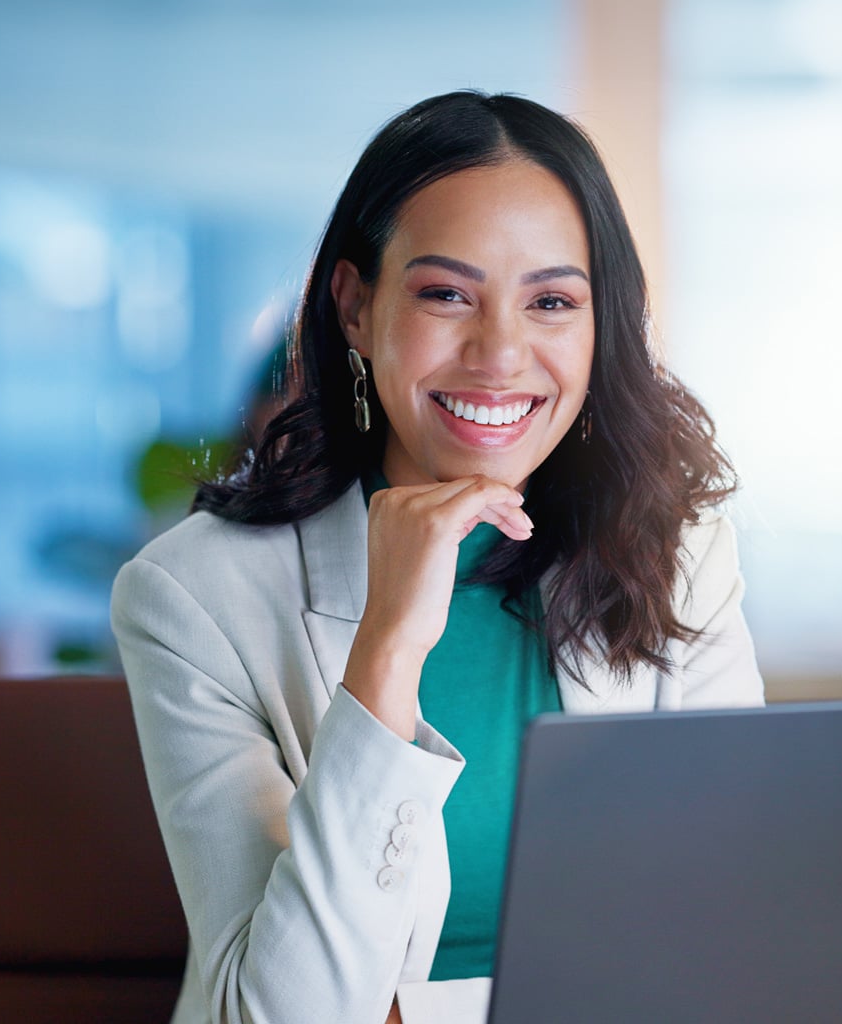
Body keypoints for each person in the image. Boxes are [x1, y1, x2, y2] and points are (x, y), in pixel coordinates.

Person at [111, 91, 764, 1024]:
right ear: (354, 306)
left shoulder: (675, 549)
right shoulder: (195, 596)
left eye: (550, 301)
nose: (500, 354)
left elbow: (732, 927)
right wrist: (385, 652)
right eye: (446, 294)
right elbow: (277, 1014)